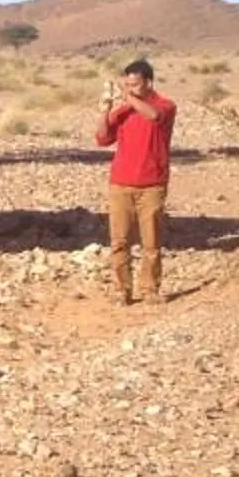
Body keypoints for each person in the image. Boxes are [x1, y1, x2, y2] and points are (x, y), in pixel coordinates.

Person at [94, 57, 176, 303]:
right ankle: (122, 290)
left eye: (135, 85)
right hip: (121, 183)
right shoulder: (124, 112)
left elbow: (152, 115)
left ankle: (149, 290)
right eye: (127, 85)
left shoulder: (165, 106)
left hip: (152, 184)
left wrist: (126, 96)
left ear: (148, 83)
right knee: (119, 241)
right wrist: (105, 110)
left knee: (151, 243)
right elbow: (102, 137)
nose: (130, 89)